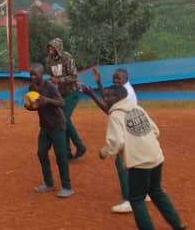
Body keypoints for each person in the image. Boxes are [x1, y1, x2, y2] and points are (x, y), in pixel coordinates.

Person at [97, 85, 189, 230]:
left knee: (136, 198)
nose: (105, 99)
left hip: (139, 162)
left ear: (118, 97)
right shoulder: (137, 108)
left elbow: (116, 142)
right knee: (156, 191)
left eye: (108, 96)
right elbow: (155, 130)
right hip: (156, 157)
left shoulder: (116, 115)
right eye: (104, 96)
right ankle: (178, 226)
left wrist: (104, 152)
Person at [83, 66, 145, 214]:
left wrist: (91, 93)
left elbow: (107, 108)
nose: (115, 80)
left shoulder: (126, 94)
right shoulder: (123, 89)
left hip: (127, 133)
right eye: (114, 77)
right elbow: (109, 96)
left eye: (118, 78)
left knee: (122, 163)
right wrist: (98, 83)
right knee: (136, 163)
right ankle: (143, 192)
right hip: (134, 131)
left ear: (126, 79)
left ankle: (129, 200)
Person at [25, 62, 74, 198]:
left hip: (58, 125)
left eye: (35, 74)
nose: (33, 77)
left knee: (61, 156)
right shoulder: (32, 87)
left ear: (42, 74)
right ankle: (49, 183)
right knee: (41, 153)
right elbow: (34, 105)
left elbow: (62, 103)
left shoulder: (50, 86)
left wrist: (47, 100)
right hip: (45, 126)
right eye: (31, 75)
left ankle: (67, 187)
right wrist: (29, 106)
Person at [45, 39, 88, 160]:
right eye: (49, 48)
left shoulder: (67, 57)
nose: (50, 50)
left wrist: (58, 80)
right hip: (60, 94)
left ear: (58, 48)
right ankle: (67, 153)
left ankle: (80, 147)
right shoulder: (49, 60)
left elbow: (74, 76)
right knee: (62, 120)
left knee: (63, 118)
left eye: (52, 48)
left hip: (72, 92)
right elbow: (53, 77)